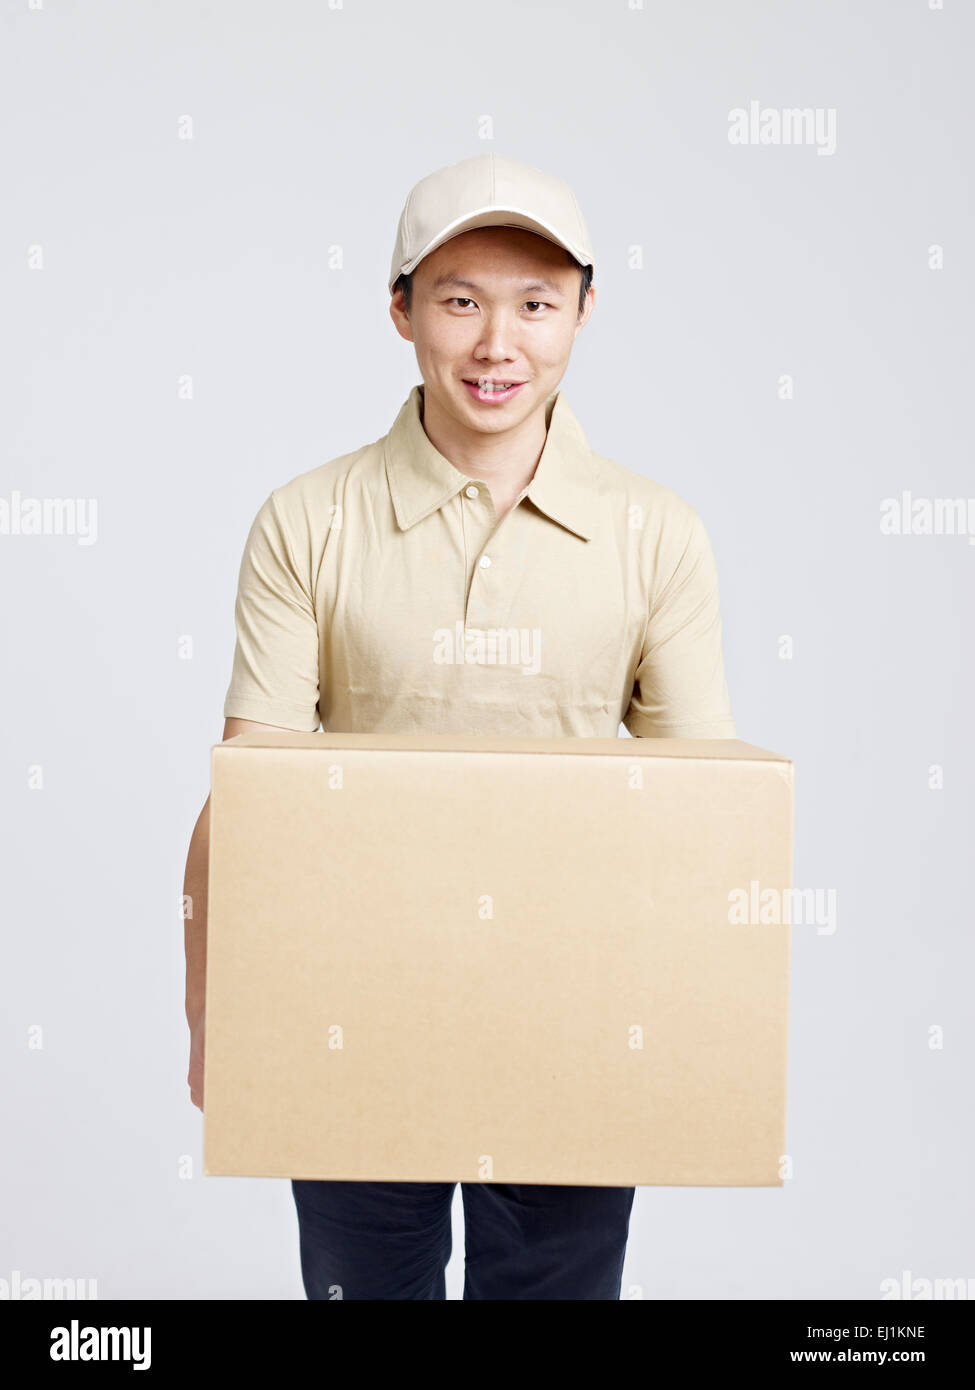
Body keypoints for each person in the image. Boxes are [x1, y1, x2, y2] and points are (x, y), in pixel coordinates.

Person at [183, 152, 737, 1300]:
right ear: (400, 309)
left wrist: (701, 1038)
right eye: (460, 300)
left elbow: (708, 812)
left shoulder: (657, 533)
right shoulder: (309, 520)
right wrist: (213, 1010)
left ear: (586, 309)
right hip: (349, 998)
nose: (499, 345)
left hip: (582, 1000)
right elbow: (253, 792)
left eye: (537, 303)